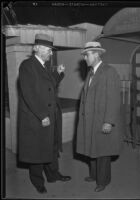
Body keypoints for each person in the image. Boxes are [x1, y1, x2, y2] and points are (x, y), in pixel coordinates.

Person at [18, 33, 71, 194]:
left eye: (51, 50)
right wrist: (43, 115)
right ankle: (37, 181)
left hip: (51, 115)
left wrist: (58, 74)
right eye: (48, 49)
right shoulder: (27, 65)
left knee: (52, 147)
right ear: (38, 48)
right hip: (38, 117)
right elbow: (29, 94)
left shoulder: (43, 67)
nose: (51, 53)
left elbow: (47, 87)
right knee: (38, 150)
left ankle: (53, 175)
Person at [76, 41, 123, 192]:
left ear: (96, 54)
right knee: (92, 149)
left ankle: (103, 181)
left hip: (102, 120)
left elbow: (114, 99)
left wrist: (108, 121)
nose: (84, 58)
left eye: (87, 55)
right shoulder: (91, 72)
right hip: (90, 120)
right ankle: (94, 175)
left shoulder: (109, 71)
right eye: (84, 55)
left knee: (102, 152)